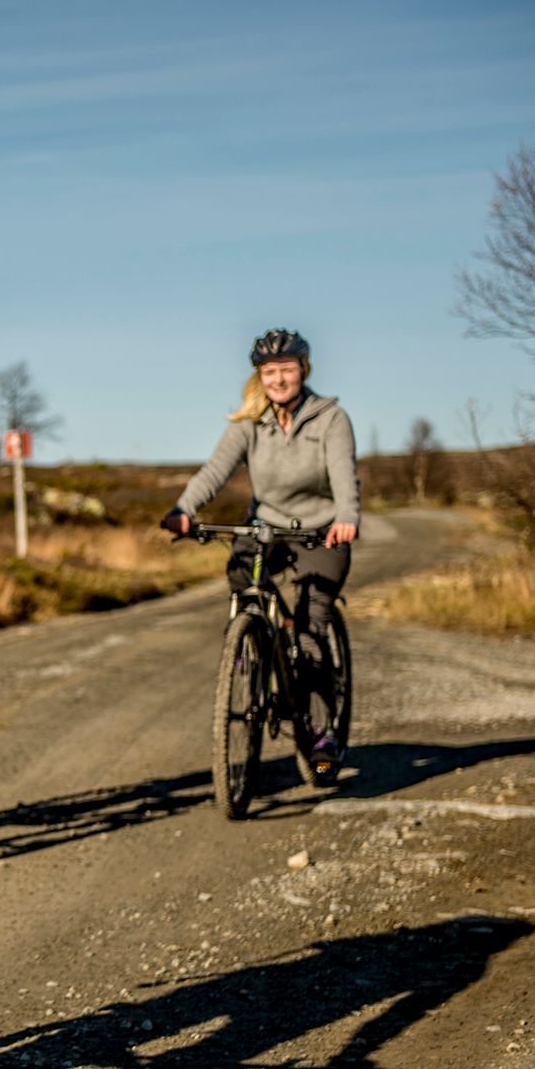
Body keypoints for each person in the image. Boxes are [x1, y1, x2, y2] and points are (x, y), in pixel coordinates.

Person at [162, 327, 360, 764]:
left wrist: (346, 517)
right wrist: (183, 509)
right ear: (260, 376)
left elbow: (344, 475)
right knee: (242, 576)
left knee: (310, 630)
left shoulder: (330, 419)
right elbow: (214, 472)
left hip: (320, 531)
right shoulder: (250, 422)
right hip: (266, 527)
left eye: (286, 370)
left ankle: (322, 732)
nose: (278, 379)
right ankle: (250, 645)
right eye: (269, 372)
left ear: (303, 370)